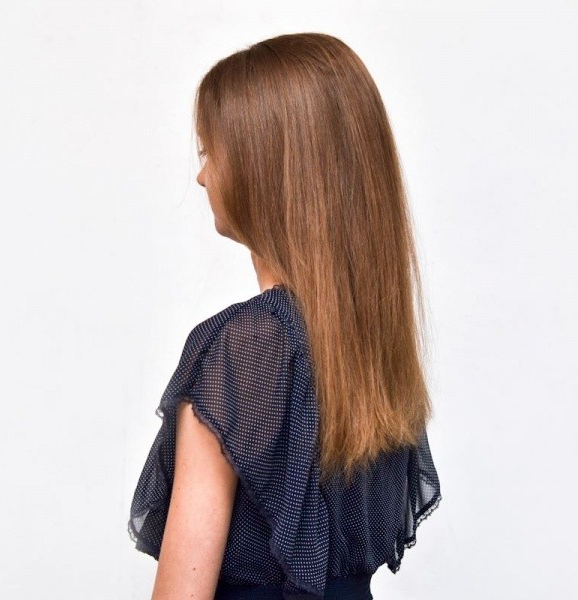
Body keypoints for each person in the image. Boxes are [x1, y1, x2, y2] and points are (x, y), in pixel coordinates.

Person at [128, 32, 442, 600]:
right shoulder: (374, 343)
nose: (201, 177)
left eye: (209, 153)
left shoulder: (243, 347)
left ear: (261, 168)